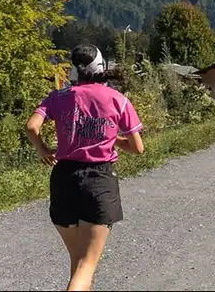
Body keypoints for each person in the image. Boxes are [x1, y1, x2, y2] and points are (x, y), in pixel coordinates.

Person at [24, 44, 145, 292]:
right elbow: (137, 148)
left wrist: (43, 150)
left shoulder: (57, 97)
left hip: (63, 179)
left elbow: (31, 127)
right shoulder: (117, 99)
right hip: (98, 181)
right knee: (86, 266)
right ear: (101, 68)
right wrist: (115, 140)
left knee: (78, 264)